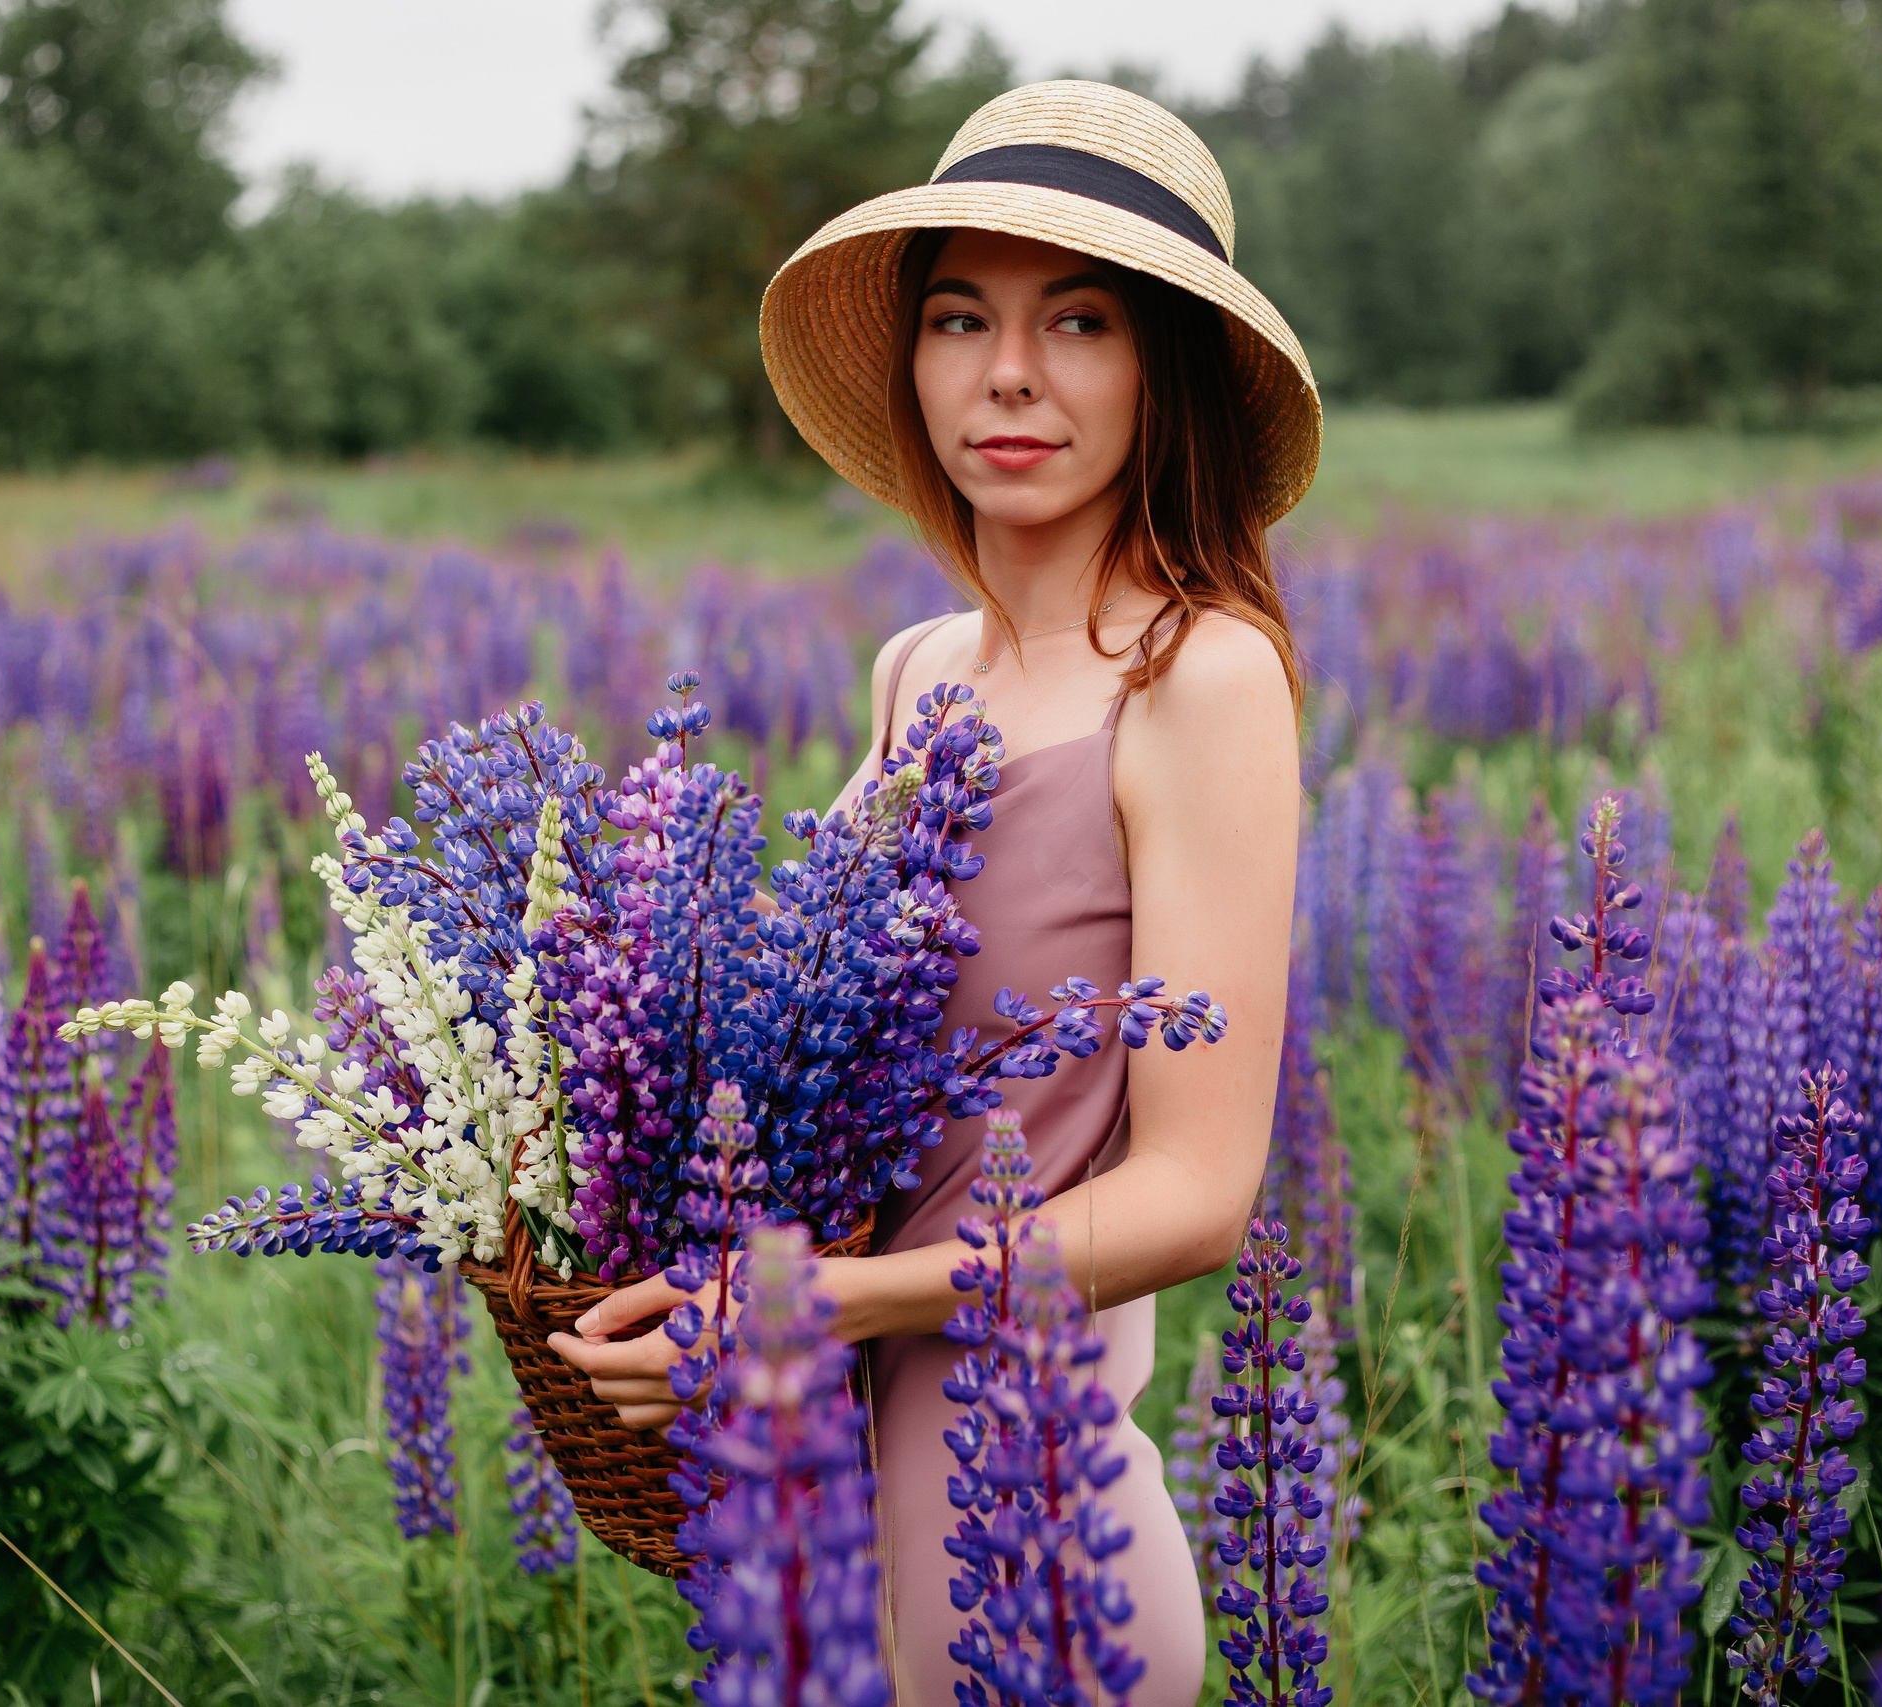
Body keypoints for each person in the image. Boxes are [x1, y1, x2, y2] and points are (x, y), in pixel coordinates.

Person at [547, 79, 1317, 1707]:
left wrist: (812, 1304)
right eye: (962, 318)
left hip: (1030, 1509)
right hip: (818, 1504)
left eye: (1080, 322)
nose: (1009, 372)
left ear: (1162, 370)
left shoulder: (1201, 678)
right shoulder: (916, 669)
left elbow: (1197, 1196)